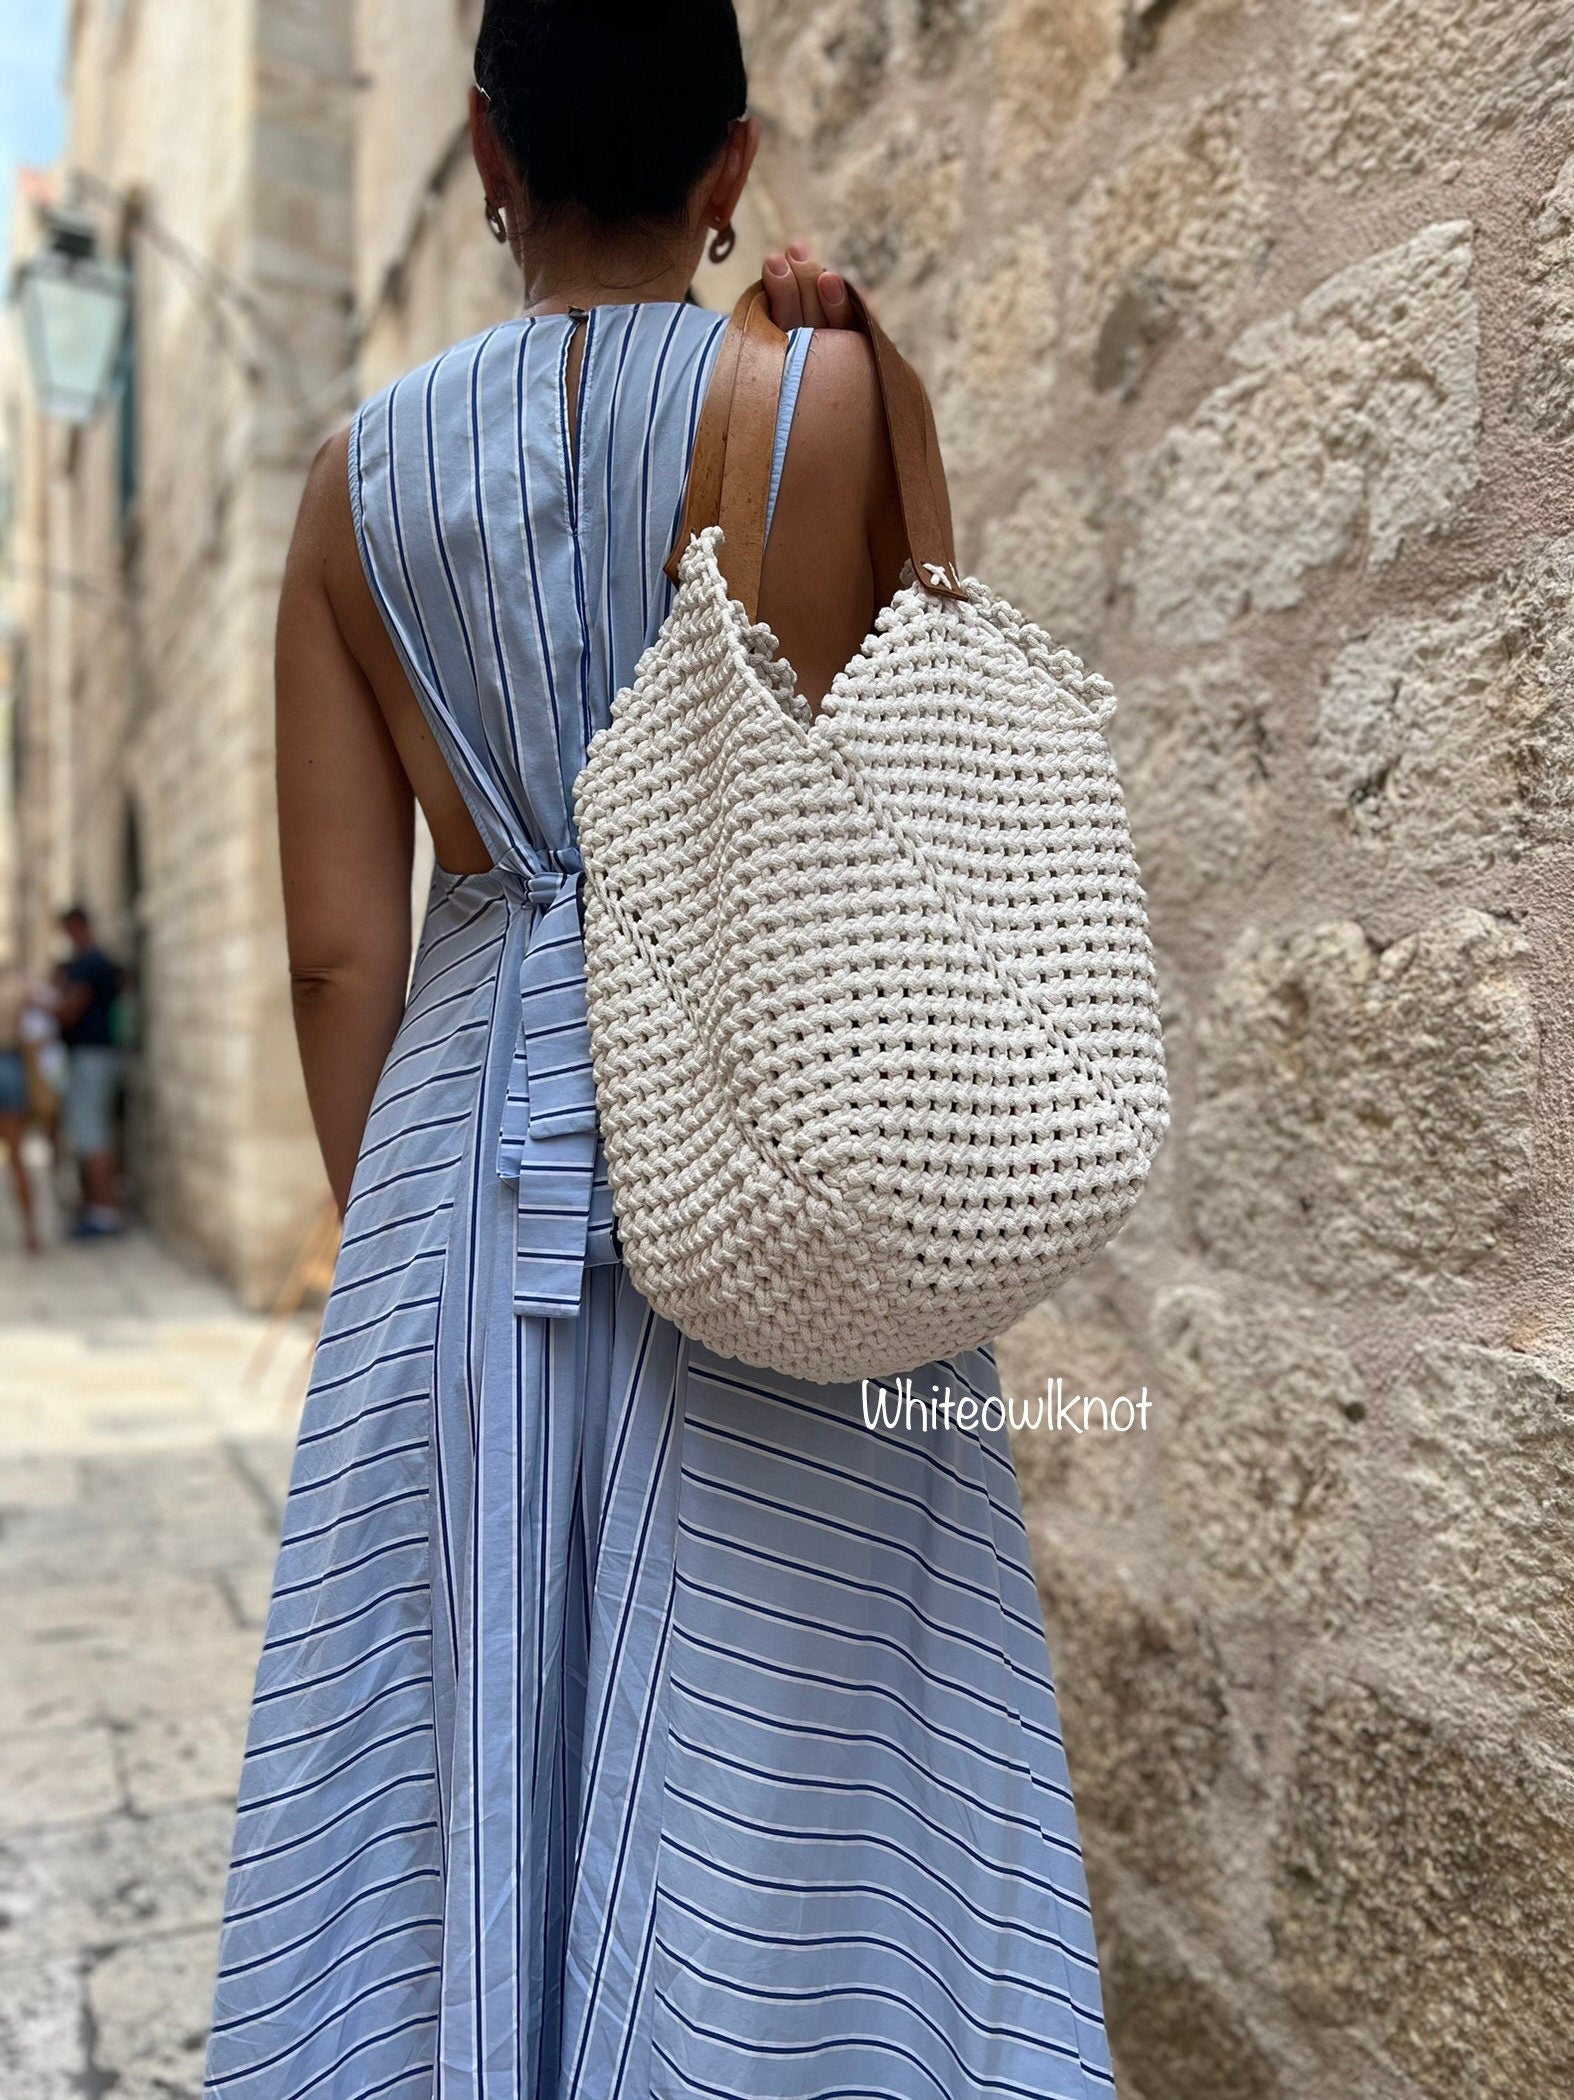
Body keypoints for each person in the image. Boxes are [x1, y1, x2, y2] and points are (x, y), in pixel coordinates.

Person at [205, 5, 1117, 2095]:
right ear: (729, 167)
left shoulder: (353, 485)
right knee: (805, 1750)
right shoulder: (802, 402)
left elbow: (338, 954)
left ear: (482, 151)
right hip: (770, 1134)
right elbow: (867, 777)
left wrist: (416, 1224)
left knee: (445, 1760)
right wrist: (870, 404)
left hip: (465, 1160)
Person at [53, 905, 126, 1239]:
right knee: (94, 1131)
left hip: (91, 1056)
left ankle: (104, 1211)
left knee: (93, 1134)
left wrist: (42, 1003)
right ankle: (99, 1207)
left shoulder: (89, 963)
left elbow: (70, 1011)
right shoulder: (100, 962)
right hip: (98, 1055)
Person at [0, 963, 40, 1255]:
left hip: (10, 1065)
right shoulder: (16, 989)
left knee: (16, 1156)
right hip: (10, 1065)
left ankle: (30, 1230)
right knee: (17, 1157)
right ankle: (30, 1232)